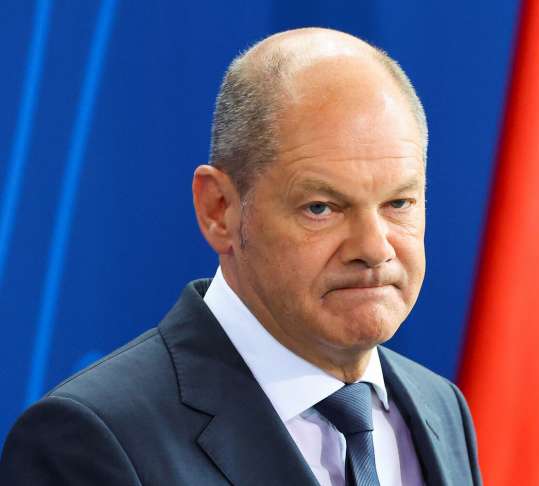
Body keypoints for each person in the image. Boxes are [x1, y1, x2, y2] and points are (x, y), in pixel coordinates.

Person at [0, 28, 481, 485]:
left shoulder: (440, 406)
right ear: (220, 209)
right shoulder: (92, 440)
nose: (374, 248)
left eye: (399, 203)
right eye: (321, 207)